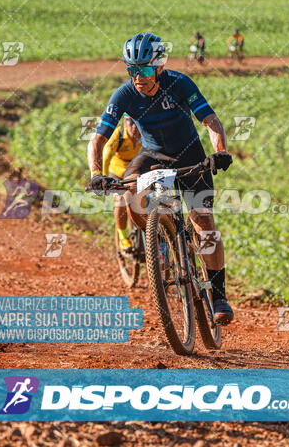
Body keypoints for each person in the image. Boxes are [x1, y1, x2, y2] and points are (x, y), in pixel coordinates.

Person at [88, 32, 234, 325]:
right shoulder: (125, 94)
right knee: (129, 190)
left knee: (203, 221)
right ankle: (159, 233)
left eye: (143, 69)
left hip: (190, 154)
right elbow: (97, 139)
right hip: (153, 155)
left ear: (159, 67)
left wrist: (220, 152)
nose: (137, 77)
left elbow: (210, 121)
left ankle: (218, 295)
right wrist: (96, 174)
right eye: (132, 70)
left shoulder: (179, 84)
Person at [102, 112, 141, 251]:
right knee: (120, 201)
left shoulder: (145, 134)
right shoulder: (118, 134)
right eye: (131, 123)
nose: (134, 127)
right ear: (125, 122)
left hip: (136, 171)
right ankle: (123, 236)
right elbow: (106, 157)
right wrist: (104, 179)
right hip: (117, 172)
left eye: (137, 123)